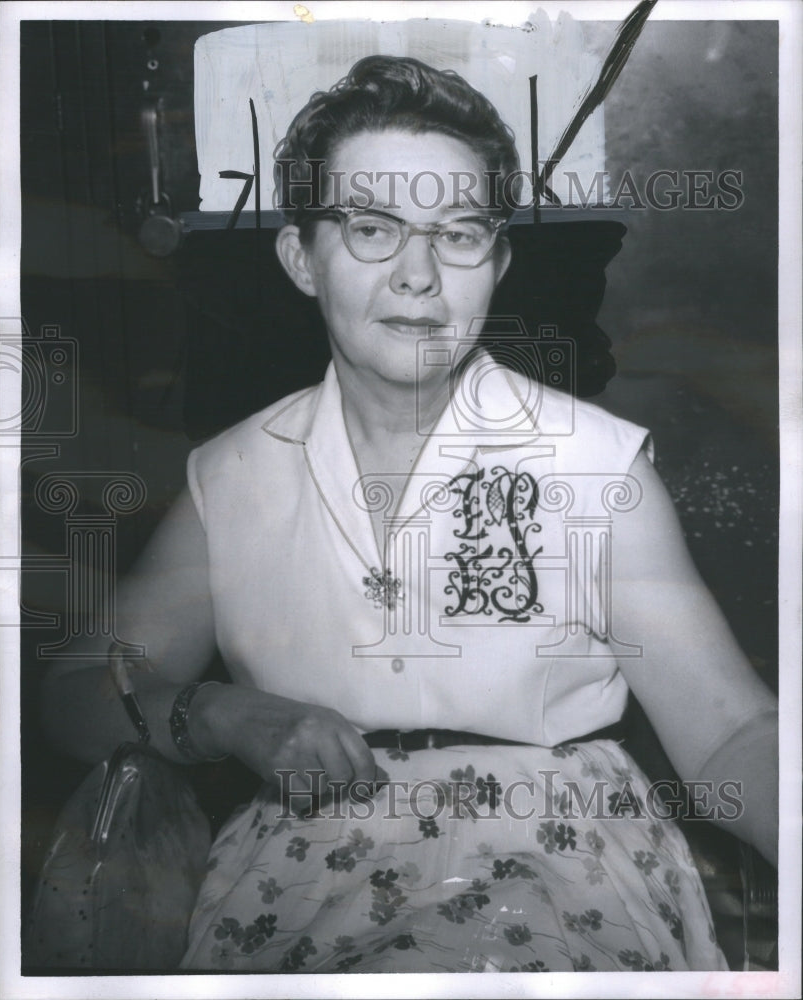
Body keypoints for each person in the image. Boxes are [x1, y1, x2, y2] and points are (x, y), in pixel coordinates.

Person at [41, 55, 777, 973]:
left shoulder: (593, 465)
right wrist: (220, 715)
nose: (419, 276)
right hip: (300, 887)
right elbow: (71, 693)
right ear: (300, 258)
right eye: (373, 229)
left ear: (497, 262)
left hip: (557, 870)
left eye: (458, 233)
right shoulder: (229, 477)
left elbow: (732, 733)